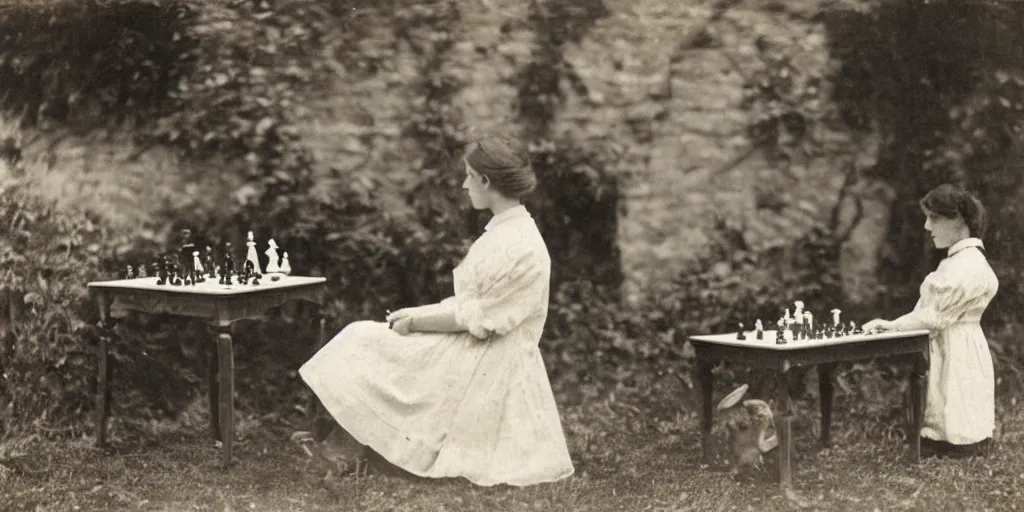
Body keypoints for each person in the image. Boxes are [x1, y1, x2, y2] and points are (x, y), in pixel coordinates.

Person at [294, 135, 575, 487]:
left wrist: (416, 322)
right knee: (365, 335)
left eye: (469, 176)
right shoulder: (503, 233)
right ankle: (340, 445)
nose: (464, 184)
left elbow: (482, 320)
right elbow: (468, 305)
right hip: (473, 341)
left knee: (364, 339)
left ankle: (340, 452)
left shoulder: (524, 246)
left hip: (492, 358)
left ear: (486, 182)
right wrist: (415, 312)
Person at [862, 184, 999, 458]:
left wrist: (892, 326)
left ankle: (957, 441)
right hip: (959, 341)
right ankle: (949, 438)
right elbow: (931, 313)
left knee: (955, 390)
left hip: (958, 344)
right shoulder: (960, 261)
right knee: (949, 390)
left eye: (934, 218)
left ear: (958, 220)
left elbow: (934, 318)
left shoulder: (964, 267)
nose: (927, 226)